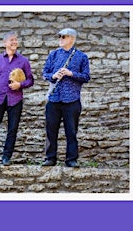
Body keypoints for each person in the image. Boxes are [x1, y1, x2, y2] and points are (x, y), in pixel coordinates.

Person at [0, 31, 34, 166]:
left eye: (16, 40)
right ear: (5, 43)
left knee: (12, 129)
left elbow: (30, 80)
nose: (14, 42)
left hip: (15, 99)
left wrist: (20, 85)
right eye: (11, 40)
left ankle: (6, 157)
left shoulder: (23, 61)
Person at [42, 28, 90, 168]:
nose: (60, 39)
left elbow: (86, 77)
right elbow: (45, 73)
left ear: (72, 39)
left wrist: (71, 73)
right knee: (51, 130)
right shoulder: (53, 54)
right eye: (60, 36)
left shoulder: (81, 57)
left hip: (72, 100)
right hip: (54, 99)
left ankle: (71, 159)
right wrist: (54, 76)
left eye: (64, 37)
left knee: (71, 131)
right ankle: (50, 158)